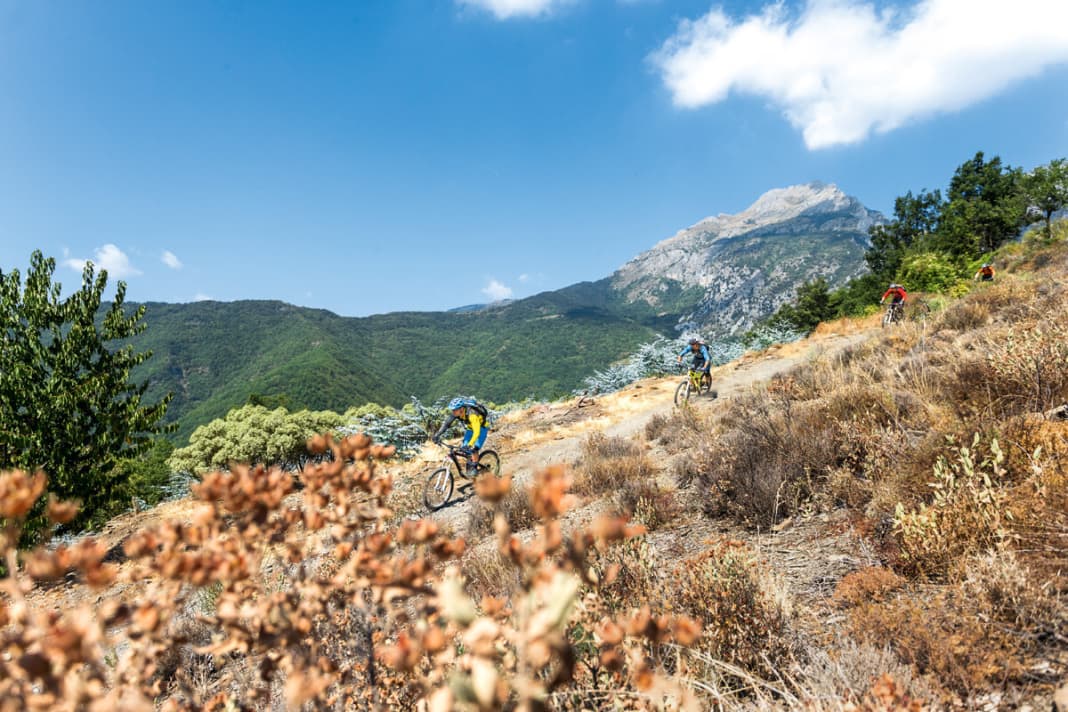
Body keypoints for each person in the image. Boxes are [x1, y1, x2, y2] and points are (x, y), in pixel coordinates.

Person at [432, 397, 489, 477]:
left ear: (461, 409)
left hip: (481, 428)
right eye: (452, 410)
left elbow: (477, 432)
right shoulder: (456, 413)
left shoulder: (472, 415)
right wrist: (437, 435)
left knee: (474, 448)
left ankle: (474, 467)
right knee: (464, 448)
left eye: (455, 410)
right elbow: (446, 424)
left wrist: (470, 444)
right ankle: (471, 463)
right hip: (470, 429)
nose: (453, 412)